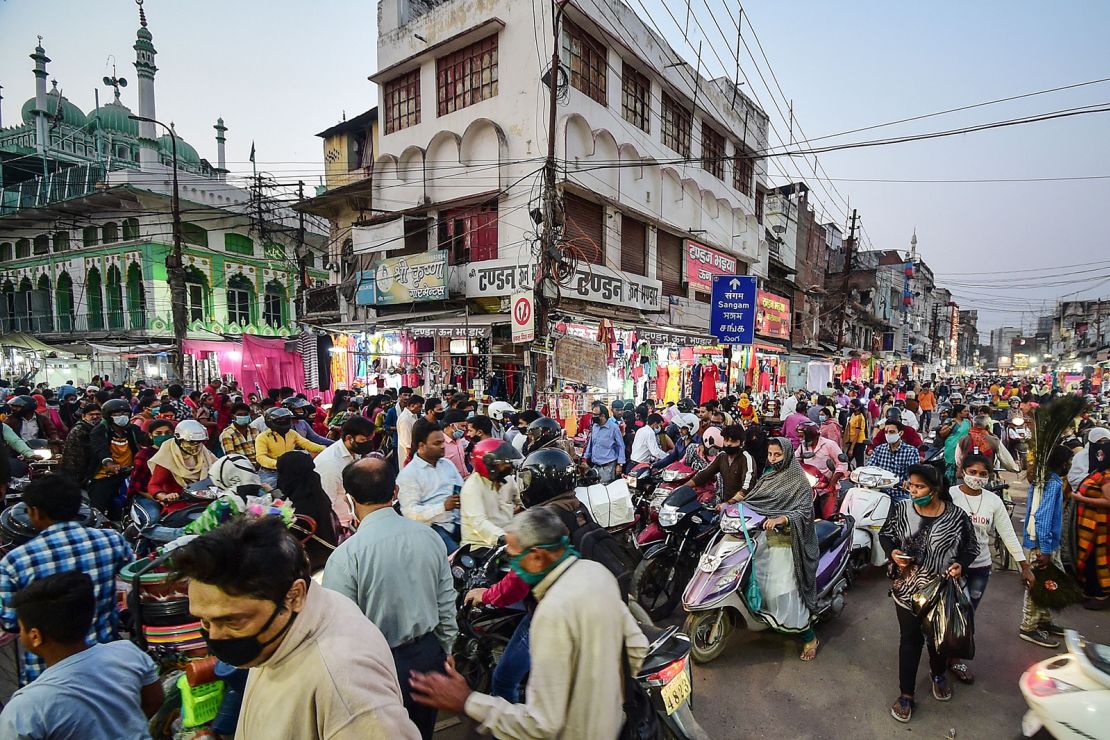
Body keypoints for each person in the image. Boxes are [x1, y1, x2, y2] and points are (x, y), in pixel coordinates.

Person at [410, 507, 649, 739]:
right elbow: (637, 646)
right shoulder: (596, 572)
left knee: (505, 678)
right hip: (615, 724)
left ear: (536, 557)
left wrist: (468, 701)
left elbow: (541, 724)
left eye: (514, 558)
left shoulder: (552, 611)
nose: (513, 566)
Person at [174, 516, 420, 738]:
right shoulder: (291, 626)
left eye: (232, 621)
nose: (215, 636)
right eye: (204, 621)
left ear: (294, 596)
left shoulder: (345, 684)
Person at [323, 458, 457, 739]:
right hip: (426, 656)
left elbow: (341, 633)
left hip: (375, 668)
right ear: (395, 492)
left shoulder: (346, 556)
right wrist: (445, 651)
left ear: (350, 499)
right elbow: (446, 601)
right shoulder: (430, 538)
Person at [0, 474, 132, 685]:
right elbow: (129, 577)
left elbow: (10, 622)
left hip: (47, 675)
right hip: (108, 665)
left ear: (34, 512)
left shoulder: (15, 562)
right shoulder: (113, 541)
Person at [0, 572, 163, 738]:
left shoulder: (25, 708)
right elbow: (155, 699)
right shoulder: (127, 652)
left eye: (21, 628)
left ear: (35, 636)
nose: (20, 635)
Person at [880, 463, 979, 723]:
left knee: (938, 640)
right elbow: (885, 536)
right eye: (910, 485)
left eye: (919, 486)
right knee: (910, 641)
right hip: (906, 589)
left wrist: (961, 565)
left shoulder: (957, 517)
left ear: (935, 489)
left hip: (941, 592)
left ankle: (937, 675)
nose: (912, 490)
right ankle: (906, 694)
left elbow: (971, 549)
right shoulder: (901, 509)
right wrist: (892, 553)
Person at [947, 454, 1035, 683]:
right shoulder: (950, 495)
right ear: (963, 471)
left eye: (983, 474)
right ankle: (940, 655)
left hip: (980, 568)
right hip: (950, 567)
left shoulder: (993, 501)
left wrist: (1024, 566)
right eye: (973, 472)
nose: (977, 477)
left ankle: (955, 658)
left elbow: (1007, 534)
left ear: (990, 476)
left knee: (967, 614)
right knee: (948, 613)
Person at [737, 438, 822, 660]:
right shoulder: (769, 475)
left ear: (787, 455)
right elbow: (754, 500)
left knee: (784, 592)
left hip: (790, 543)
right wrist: (732, 507)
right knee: (758, 583)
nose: (773, 459)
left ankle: (809, 637)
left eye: (778, 455)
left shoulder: (799, 481)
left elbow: (805, 512)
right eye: (770, 454)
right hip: (765, 539)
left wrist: (783, 518)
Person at [1019, 445, 1074, 647]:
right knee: (1038, 585)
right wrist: (1045, 549)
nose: (1070, 466)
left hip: (1045, 542)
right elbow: (1042, 517)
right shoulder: (1052, 482)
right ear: (1061, 463)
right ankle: (1028, 627)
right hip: (1041, 544)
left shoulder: (1046, 480)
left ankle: (1043, 621)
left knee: (1050, 582)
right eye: (1069, 462)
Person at [396, 420, 464, 551]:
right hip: (432, 529)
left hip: (457, 522)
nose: (443, 446)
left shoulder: (447, 465)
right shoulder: (409, 474)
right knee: (460, 561)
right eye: (437, 443)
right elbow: (410, 513)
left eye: (443, 442)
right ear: (422, 446)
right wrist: (443, 507)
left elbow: (461, 489)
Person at [277, 451, 339, 572]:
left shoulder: (303, 509)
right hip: (326, 555)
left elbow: (285, 538)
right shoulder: (313, 490)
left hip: (312, 563)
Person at [313, 415, 377, 530]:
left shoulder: (355, 451)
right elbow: (327, 504)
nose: (368, 443)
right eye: (364, 440)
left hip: (355, 519)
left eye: (370, 439)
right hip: (342, 525)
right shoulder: (330, 463)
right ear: (349, 438)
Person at [461, 438, 522, 549]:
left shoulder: (508, 480)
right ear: (489, 464)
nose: (508, 467)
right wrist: (504, 538)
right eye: (503, 463)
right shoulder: (471, 488)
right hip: (481, 546)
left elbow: (521, 500)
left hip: (508, 541)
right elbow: (479, 523)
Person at [1074, 437, 1110, 609]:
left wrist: (1082, 498)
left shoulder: (1107, 474)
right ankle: (1089, 592)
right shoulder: (1099, 471)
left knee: (1097, 560)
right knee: (1088, 560)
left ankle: (1101, 595)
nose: (1100, 454)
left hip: (1100, 527)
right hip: (1089, 525)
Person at [682, 424, 755, 507]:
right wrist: (683, 487)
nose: (728, 444)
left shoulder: (746, 458)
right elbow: (704, 475)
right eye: (726, 440)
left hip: (742, 506)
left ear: (741, 443)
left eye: (733, 441)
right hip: (724, 503)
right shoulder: (722, 456)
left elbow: (746, 489)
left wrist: (728, 503)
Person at [256, 407, 326, 488]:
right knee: (272, 494)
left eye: (287, 420)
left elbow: (308, 444)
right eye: (282, 420)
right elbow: (260, 457)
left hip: (290, 469)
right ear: (271, 422)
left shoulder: (292, 433)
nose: (285, 422)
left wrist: (326, 449)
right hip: (270, 473)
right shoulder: (262, 437)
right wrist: (278, 464)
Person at [147, 419, 217, 498]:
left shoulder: (204, 451)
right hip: (180, 502)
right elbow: (153, 485)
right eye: (191, 442)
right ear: (179, 440)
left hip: (206, 498)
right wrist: (164, 496)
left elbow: (220, 468)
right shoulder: (167, 456)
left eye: (199, 441)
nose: (196, 445)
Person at [867, 420, 922, 501]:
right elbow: (870, 467)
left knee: (906, 511)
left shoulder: (911, 451)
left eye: (892, 432)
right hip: (879, 491)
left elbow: (914, 474)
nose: (888, 435)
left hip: (900, 493)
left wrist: (908, 482)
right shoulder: (879, 449)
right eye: (886, 432)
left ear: (900, 433)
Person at [128, 418, 174, 500]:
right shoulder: (143, 455)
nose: (163, 436)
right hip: (147, 495)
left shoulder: (177, 452)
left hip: (174, 495)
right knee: (154, 513)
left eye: (167, 433)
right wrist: (159, 498)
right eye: (158, 433)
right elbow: (137, 485)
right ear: (150, 435)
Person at [58, 402, 101, 483]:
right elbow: (74, 455)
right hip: (77, 471)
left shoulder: (99, 429)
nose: (95, 417)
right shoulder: (79, 430)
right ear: (83, 416)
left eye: (98, 414)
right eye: (91, 414)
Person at [582, 405, 625, 484]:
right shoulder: (595, 426)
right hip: (595, 466)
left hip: (608, 467)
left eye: (595, 415)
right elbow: (591, 443)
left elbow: (621, 446)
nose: (593, 416)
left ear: (602, 416)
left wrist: (620, 464)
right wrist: (585, 458)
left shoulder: (614, 428)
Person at [219, 402, 260, 467]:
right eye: (240, 415)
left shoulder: (254, 429)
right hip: (242, 468)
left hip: (260, 465)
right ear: (233, 416)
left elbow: (261, 449)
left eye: (245, 414)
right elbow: (231, 457)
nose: (243, 416)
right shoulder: (227, 434)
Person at [938, 403, 971, 480]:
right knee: (950, 466)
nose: (967, 413)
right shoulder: (950, 421)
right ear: (959, 412)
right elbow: (942, 434)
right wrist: (951, 426)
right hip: (951, 447)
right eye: (965, 411)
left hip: (964, 447)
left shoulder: (967, 422)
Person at [397, 394, 425, 470]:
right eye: (419, 406)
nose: (420, 409)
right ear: (412, 405)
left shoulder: (413, 415)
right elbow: (407, 444)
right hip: (409, 456)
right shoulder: (405, 419)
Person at [441, 409, 471, 477]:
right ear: (452, 426)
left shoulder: (459, 440)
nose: (464, 429)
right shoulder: (441, 444)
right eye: (462, 426)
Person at [846, 401, 868, 469]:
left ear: (857, 407)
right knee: (846, 461)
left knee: (859, 464)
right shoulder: (853, 415)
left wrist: (851, 449)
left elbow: (857, 434)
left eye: (852, 406)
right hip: (852, 442)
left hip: (858, 443)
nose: (850, 407)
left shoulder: (860, 418)